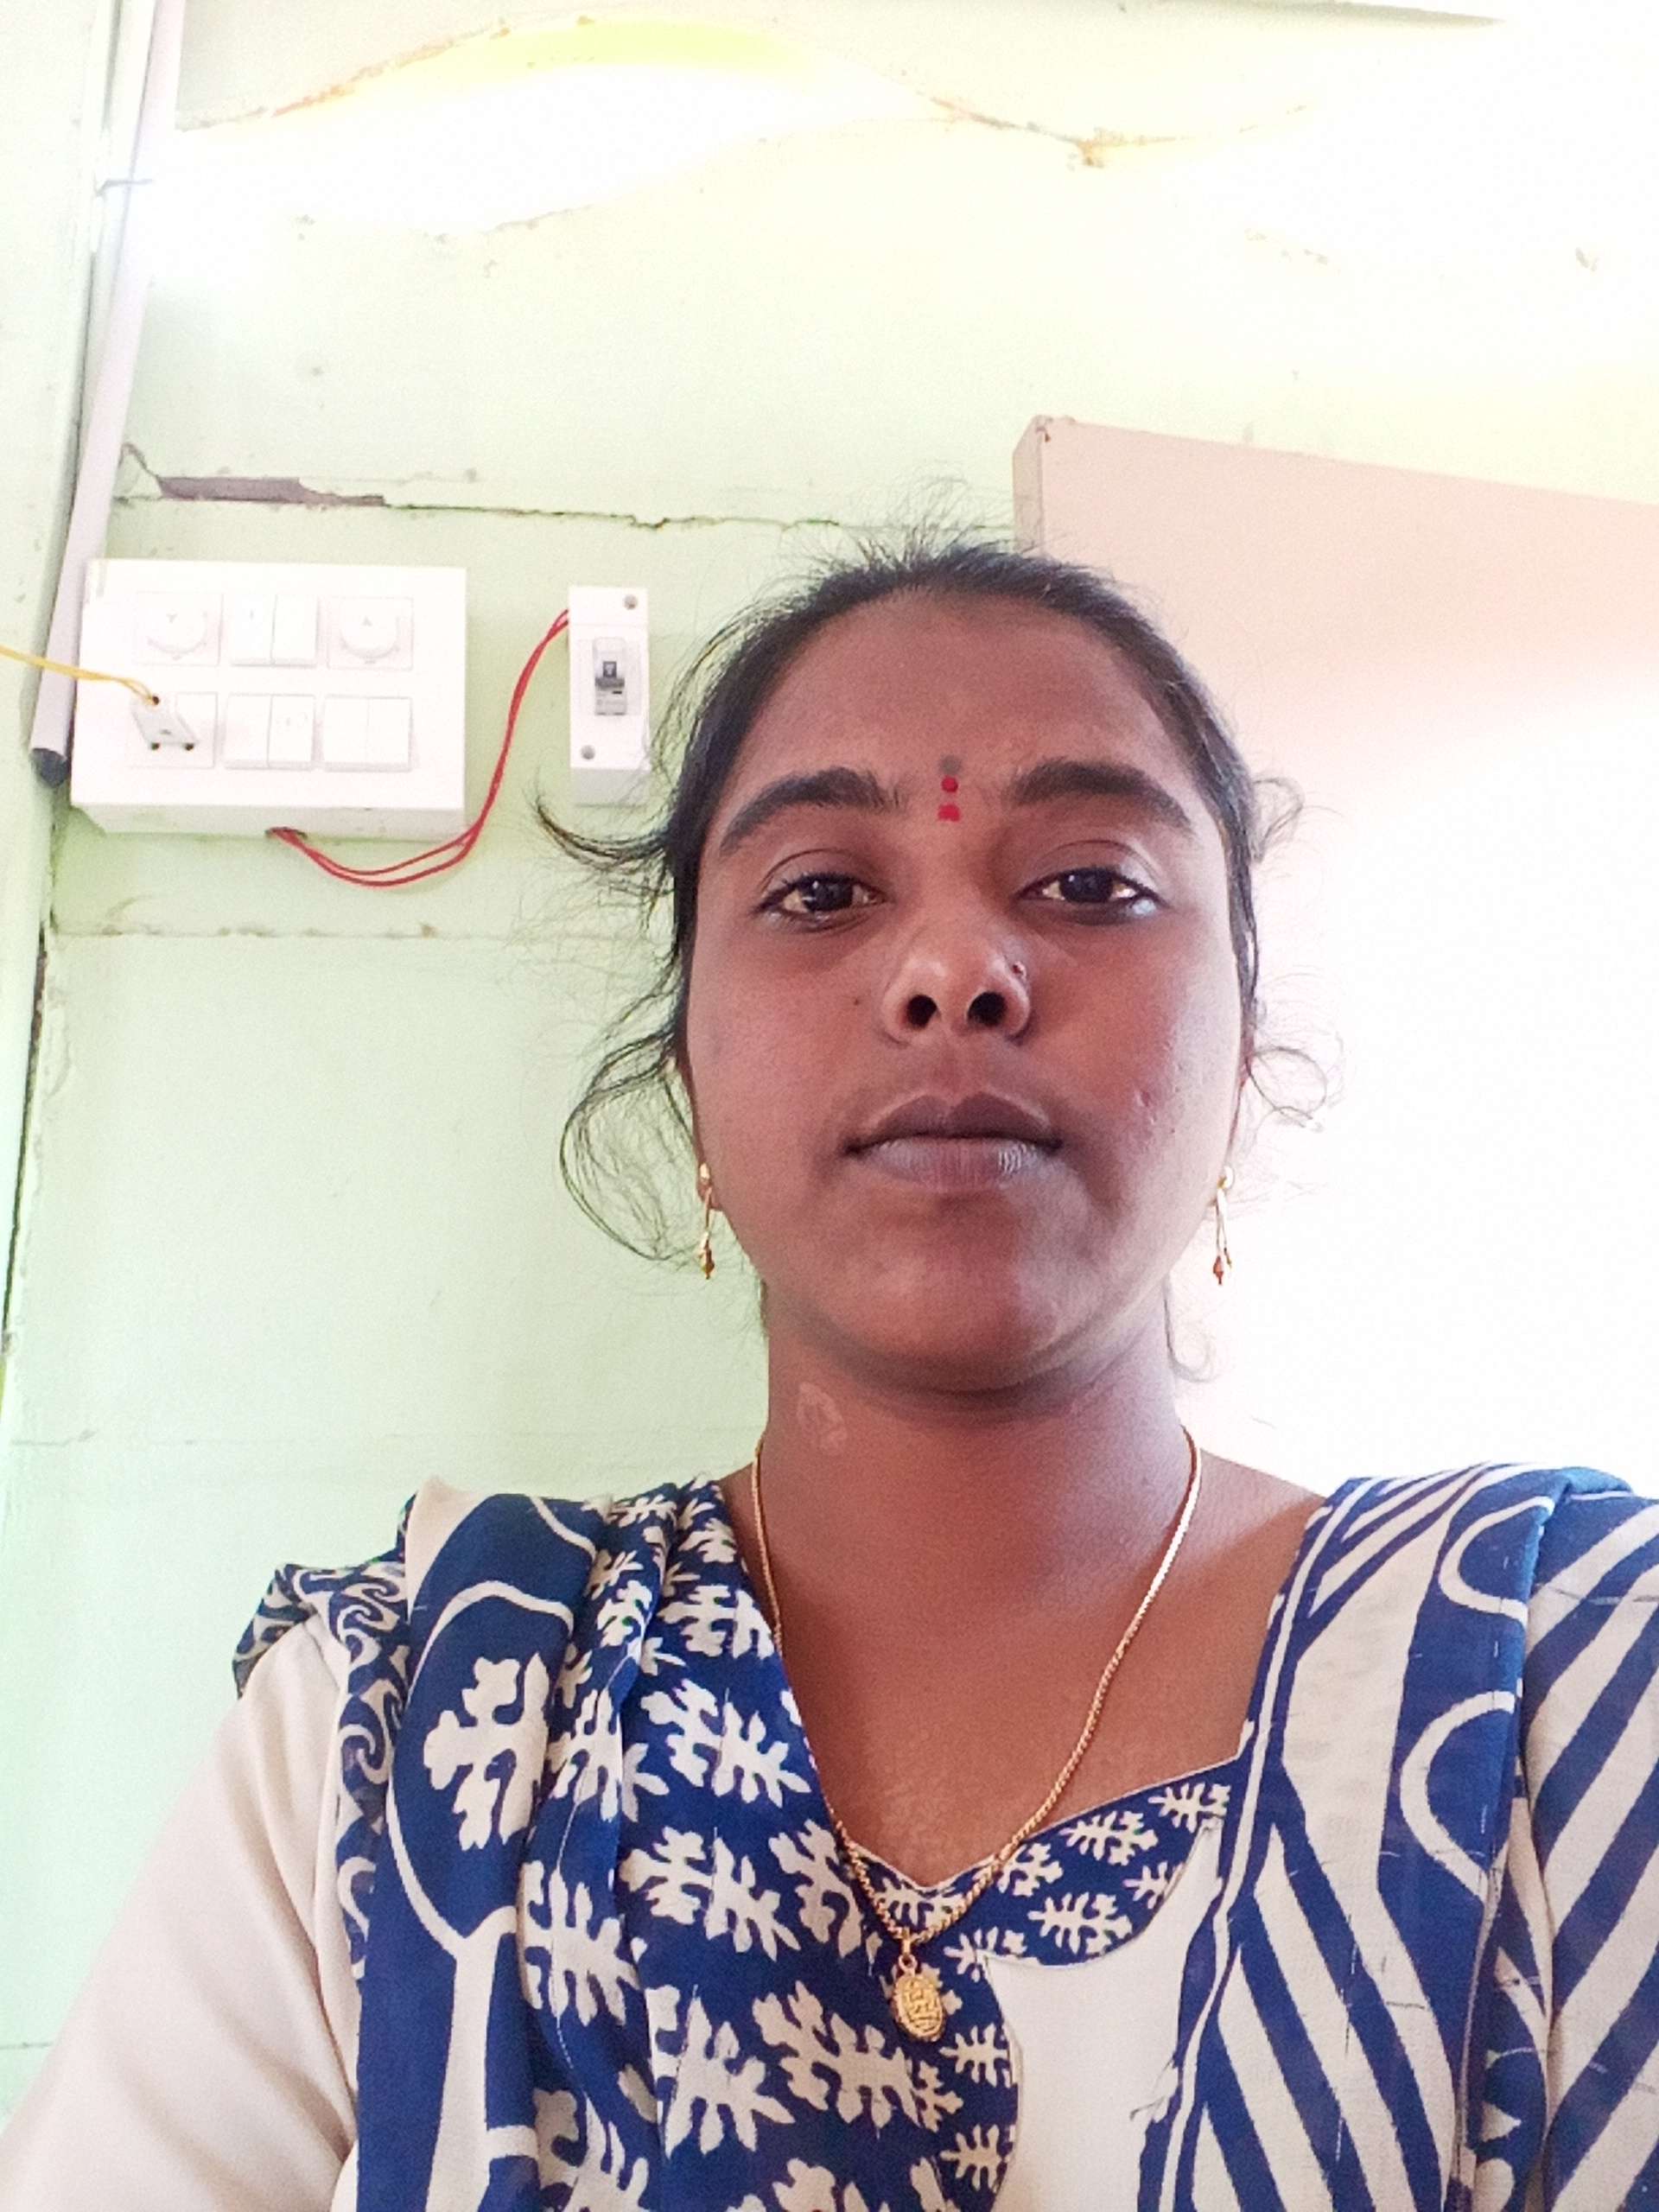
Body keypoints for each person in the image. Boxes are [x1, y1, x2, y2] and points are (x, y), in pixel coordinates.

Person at [3, 532, 1655, 2212]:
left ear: (1242, 1056)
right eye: (821, 892)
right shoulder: (397, 1737)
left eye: (1090, 883)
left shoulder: (1573, 1685)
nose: (956, 973)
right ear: (690, 1081)